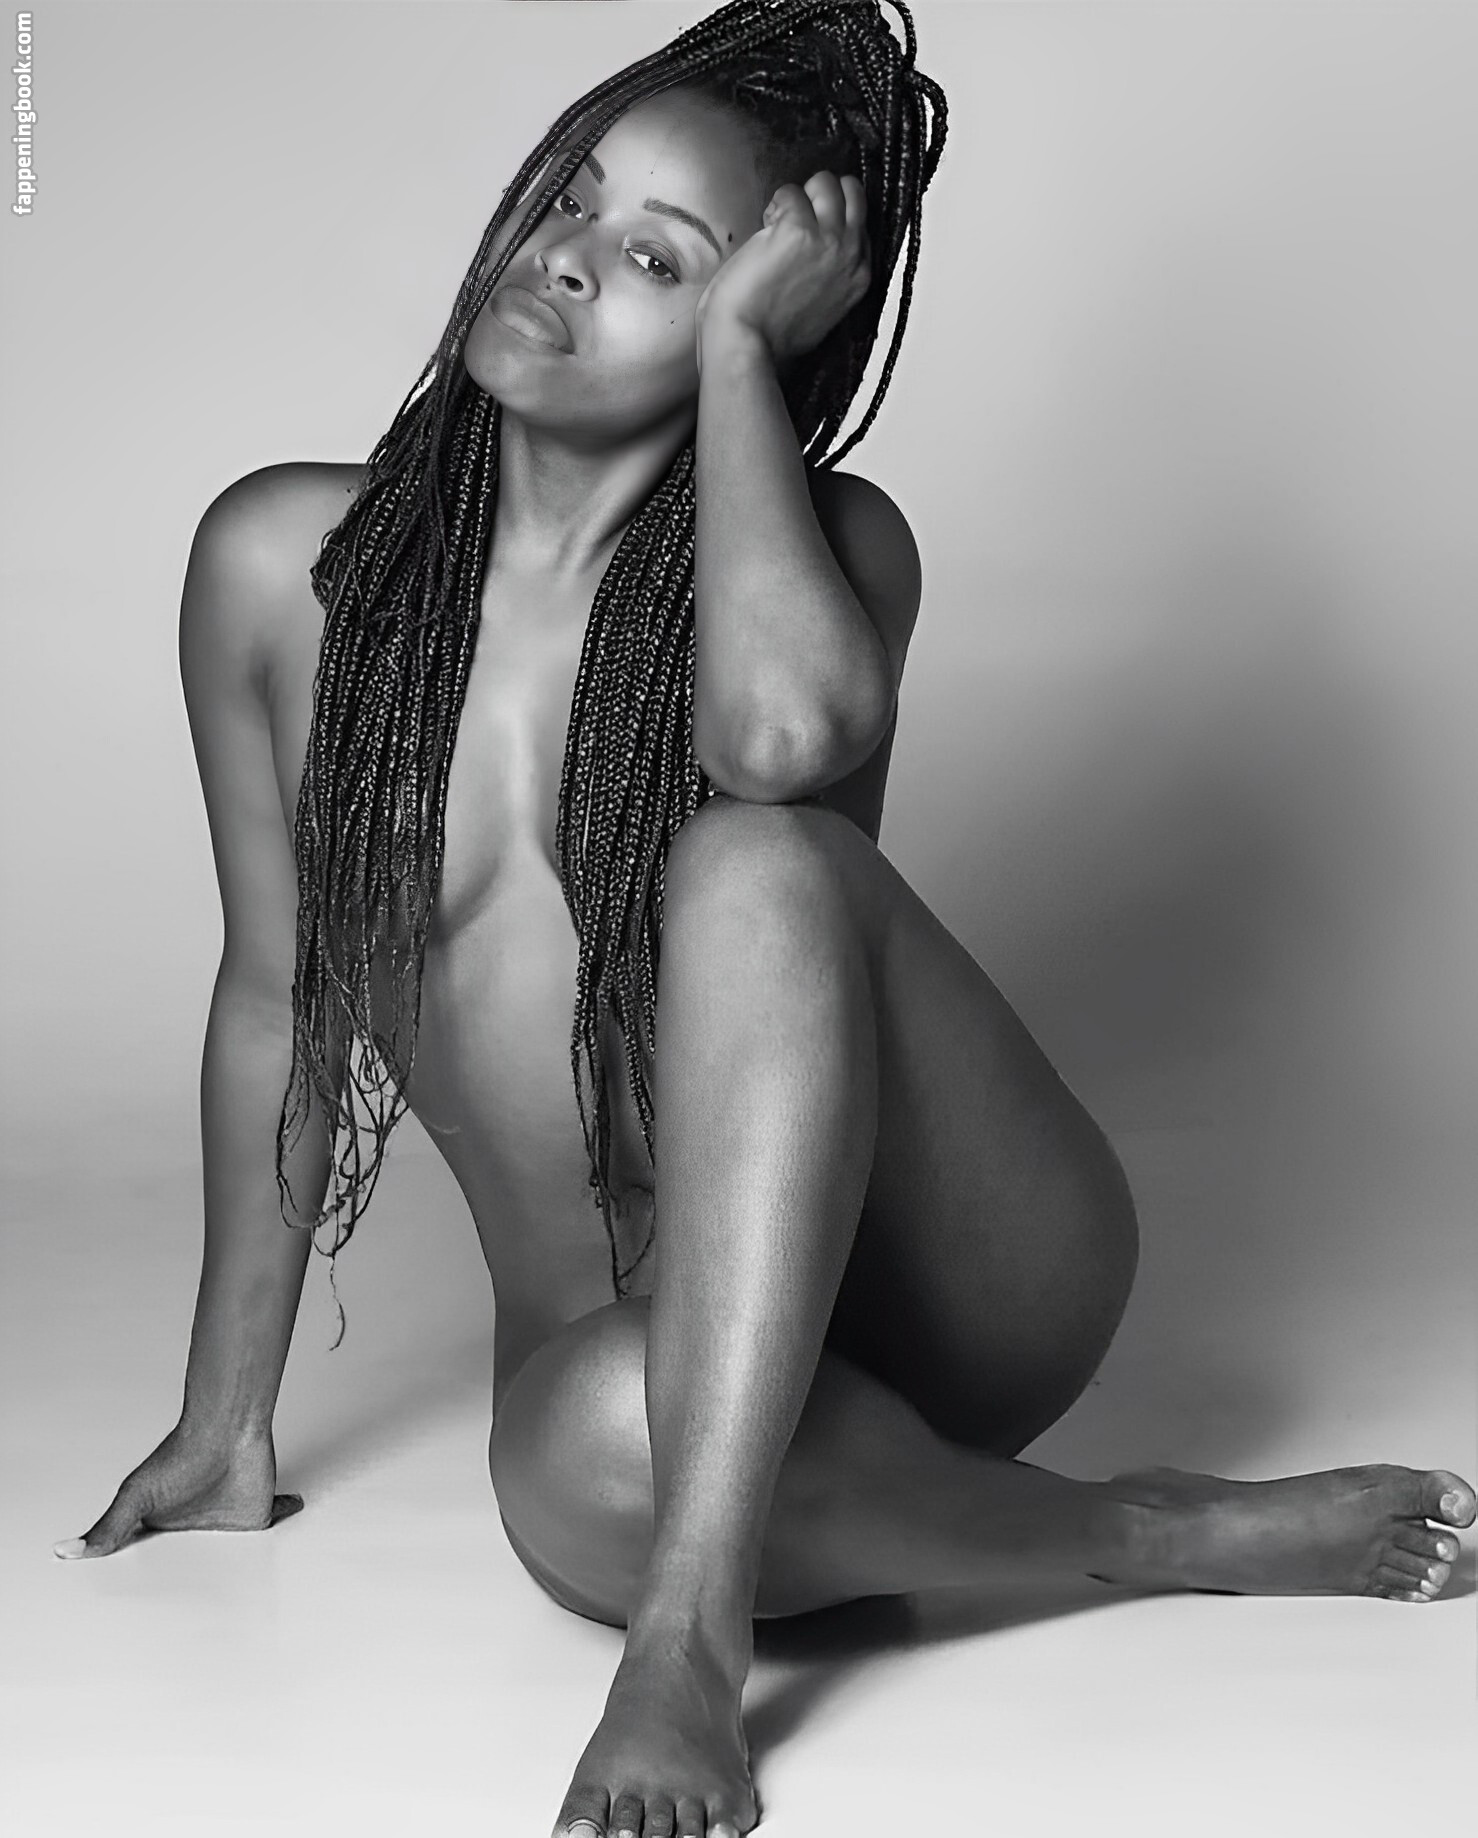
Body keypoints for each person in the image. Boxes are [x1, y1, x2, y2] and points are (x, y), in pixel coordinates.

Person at [54, 4, 1473, 1836]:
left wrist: (736, 368)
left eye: (662, 259)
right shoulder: (277, 568)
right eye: (568, 197)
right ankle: (1143, 1525)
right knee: (583, 1445)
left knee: (756, 859)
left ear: (774, 324)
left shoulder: (826, 553)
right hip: (630, 1367)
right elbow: (277, 998)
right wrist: (222, 1418)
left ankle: (689, 1642)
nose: (570, 256)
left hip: (940, 1284)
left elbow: (781, 748)